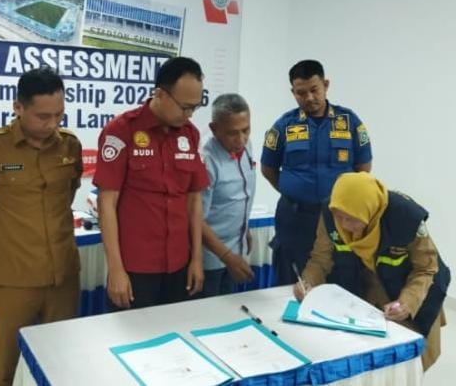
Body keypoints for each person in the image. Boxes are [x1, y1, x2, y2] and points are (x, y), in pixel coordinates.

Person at [0, 67, 83, 386]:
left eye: (59, 115)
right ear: (18, 107)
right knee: (6, 362)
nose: (52, 124)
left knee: (60, 358)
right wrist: (2, 243)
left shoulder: (70, 146)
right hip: (14, 278)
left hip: (63, 276)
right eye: (43, 116)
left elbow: (67, 195)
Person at [293, 172, 450, 370]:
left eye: (352, 219)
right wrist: (307, 282)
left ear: (370, 212)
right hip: (366, 286)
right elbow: (320, 258)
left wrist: (407, 303)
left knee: (410, 358)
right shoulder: (331, 213)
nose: (344, 225)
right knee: (367, 353)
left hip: (414, 287)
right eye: (339, 217)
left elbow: (426, 268)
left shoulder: (406, 217)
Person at [94, 56, 209, 310]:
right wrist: (115, 269)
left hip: (179, 265)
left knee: (177, 332)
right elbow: (106, 203)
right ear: (160, 94)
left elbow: (194, 200)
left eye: (194, 108)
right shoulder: (121, 131)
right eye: (184, 107)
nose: (189, 115)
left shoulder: (190, 134)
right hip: (135, 268)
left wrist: (196, 259)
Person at [261, 59, 372, 286]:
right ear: (293, 92)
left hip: (338, 218)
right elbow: (268, 168)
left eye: (314, 90)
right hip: (295, 217)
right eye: (301, 93)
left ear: (326, 85)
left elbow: (363, 168)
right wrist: (293, 190)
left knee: (341, 276)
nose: (309, 98)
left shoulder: (349, 122)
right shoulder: (284, 126)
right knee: (291, 279)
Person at [199, 93, 257, 297]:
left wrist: (245, 229)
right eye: (233, 133)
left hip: (236, 249)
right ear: (214, 129)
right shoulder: (206, 161)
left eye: (246, 130)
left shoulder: (246, 146)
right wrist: (226, 256)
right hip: (209, 258)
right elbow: (195, 220)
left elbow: (241, 194)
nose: (241, 140)